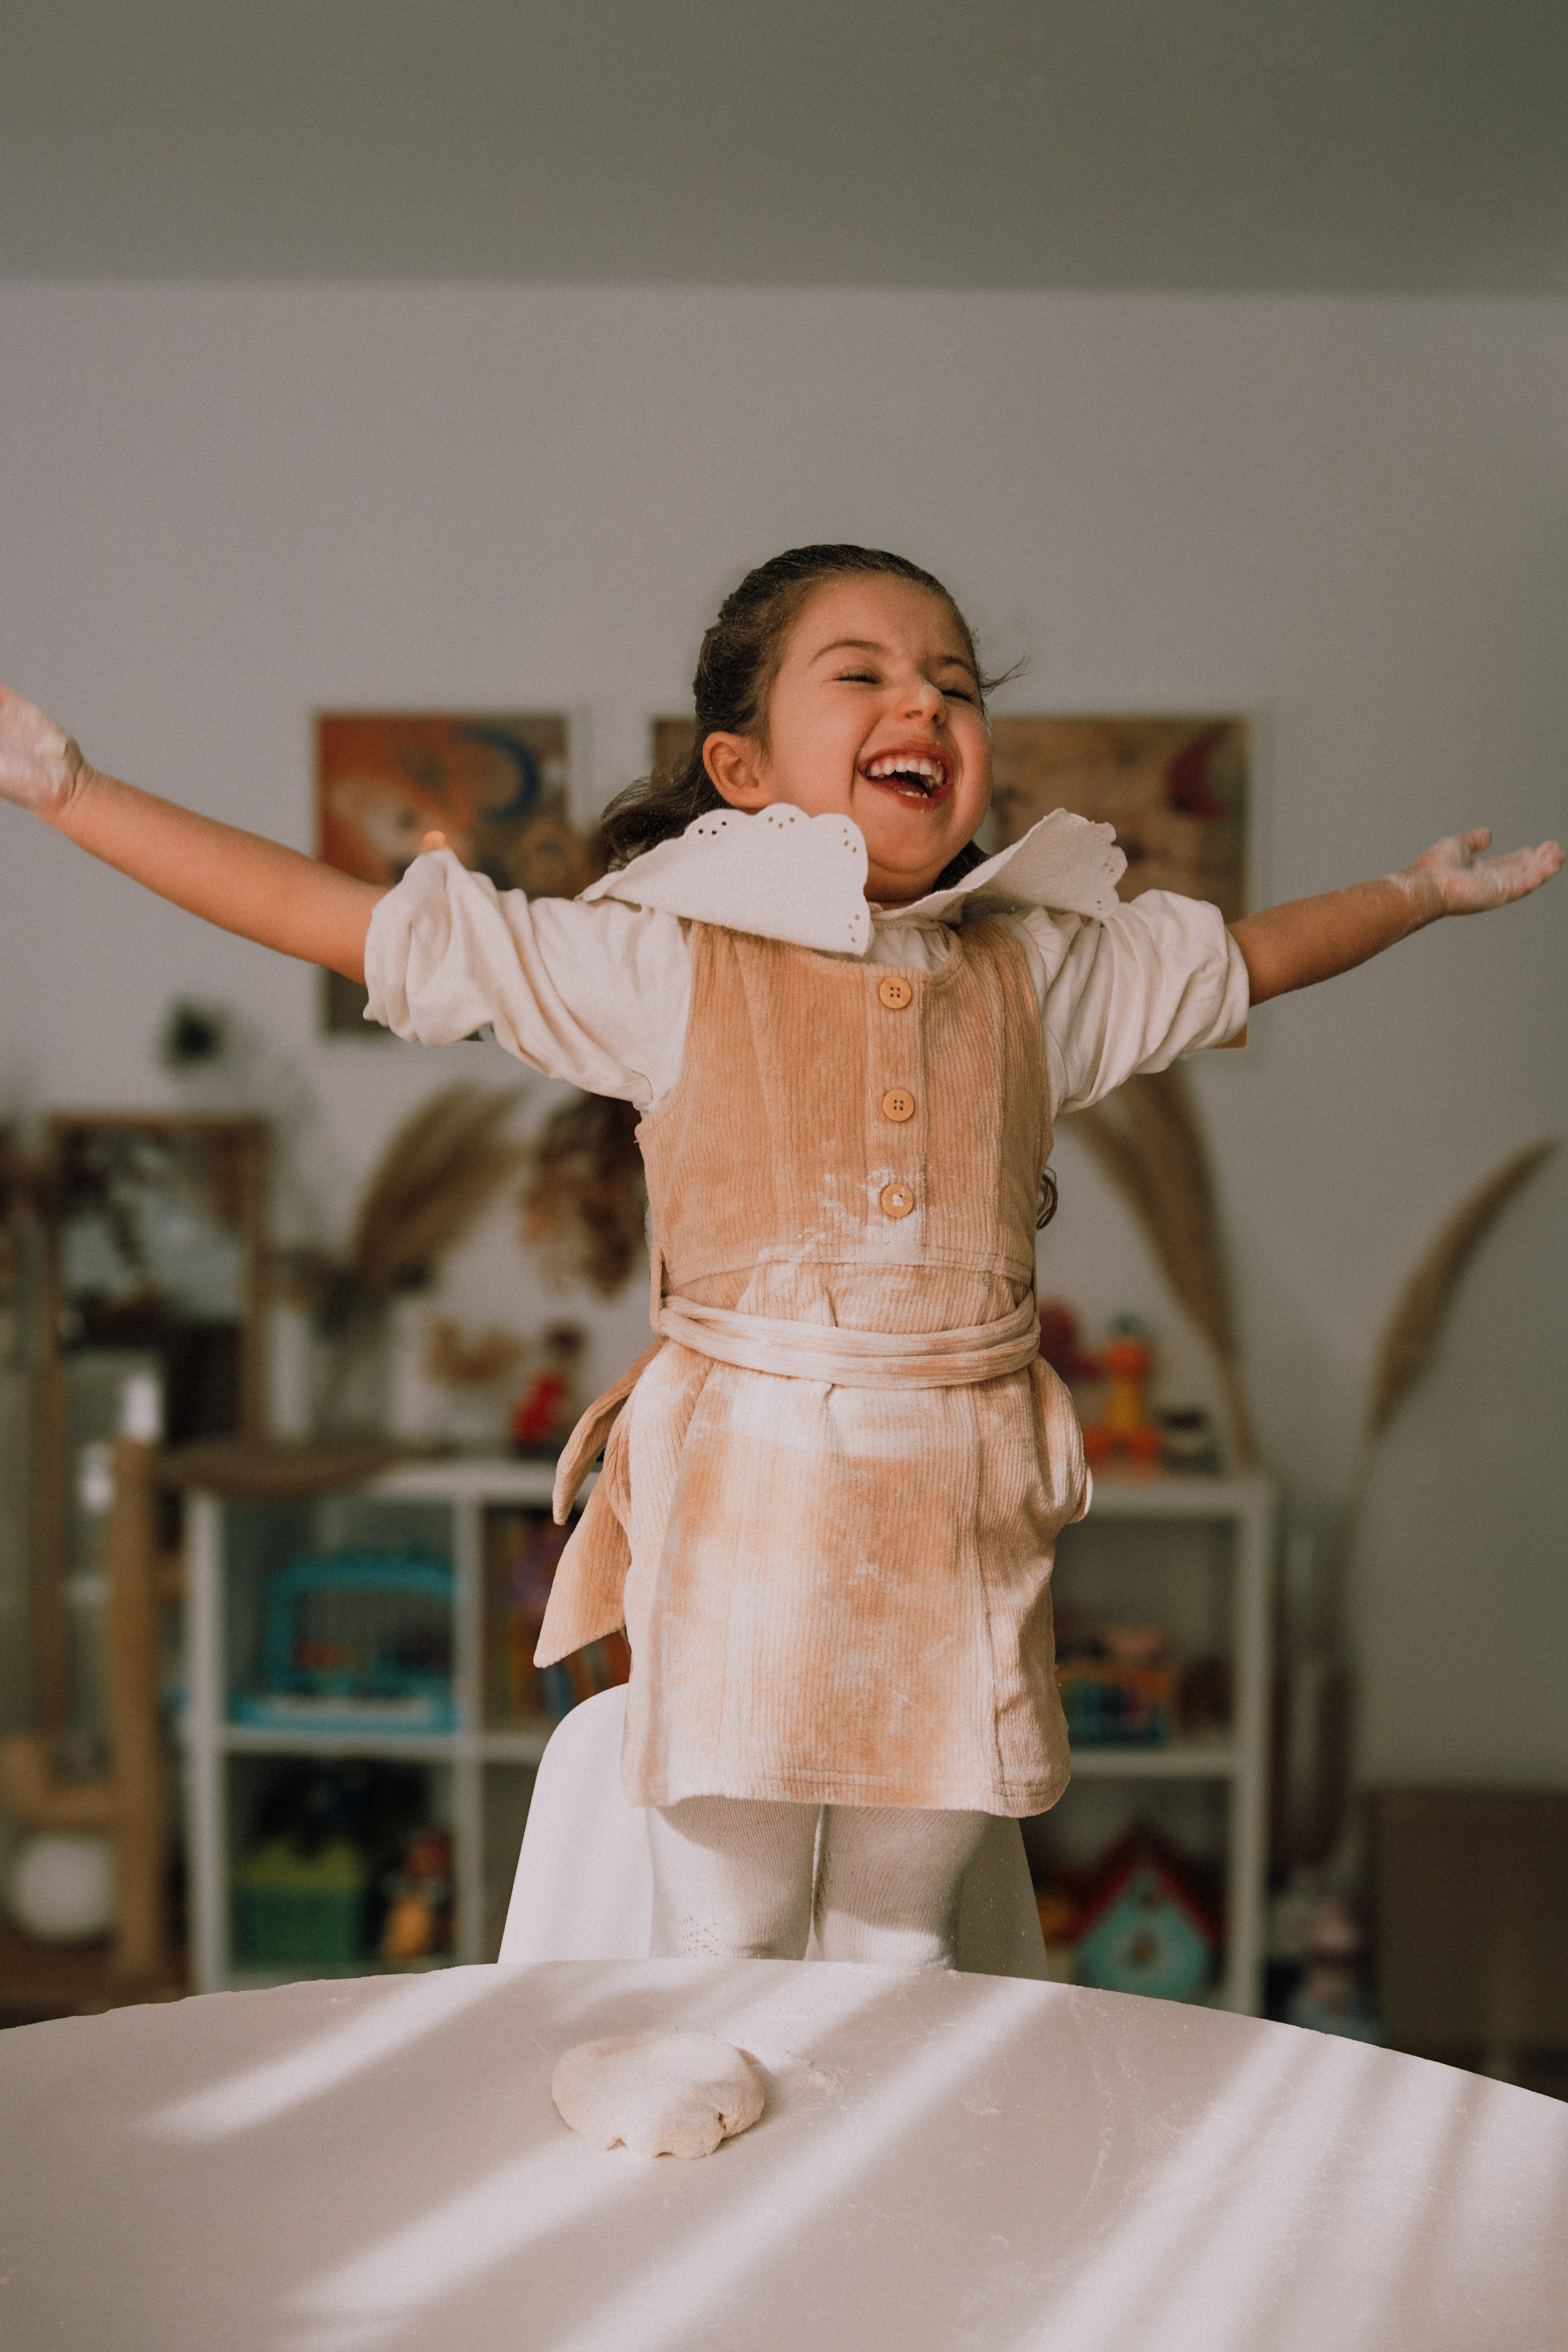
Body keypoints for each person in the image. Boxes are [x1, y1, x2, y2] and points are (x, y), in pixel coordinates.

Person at [1, 544, 1559, 1971]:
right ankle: (710, 2196)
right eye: (866, 673)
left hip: (956, 1511)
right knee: (728, 1926)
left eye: (953, 683)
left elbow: (1245, 960)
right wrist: (76, 792)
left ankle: (870, 2215)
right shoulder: (660, 958)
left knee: (900, 1935)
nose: (923, 704)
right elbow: (345, 922)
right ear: (740, 770)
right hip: (744, 1502)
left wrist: (1415, 897)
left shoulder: (1039, 972)